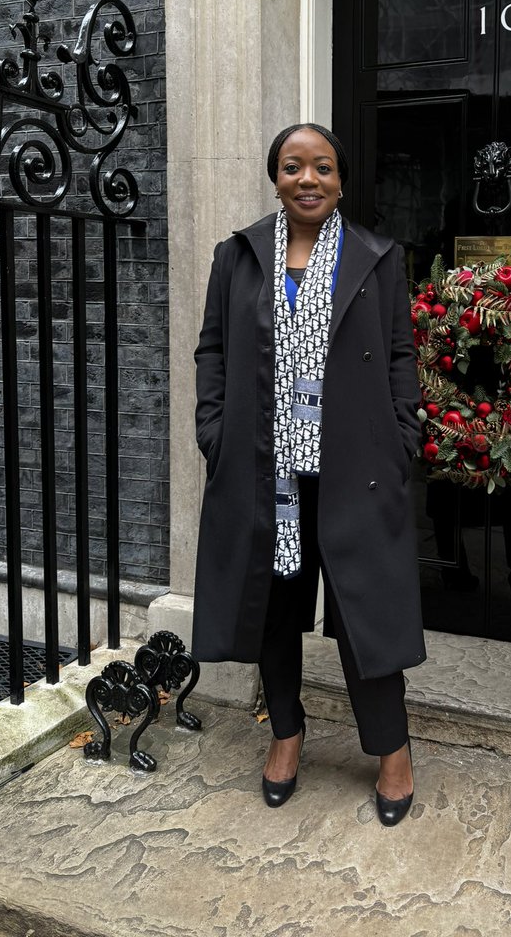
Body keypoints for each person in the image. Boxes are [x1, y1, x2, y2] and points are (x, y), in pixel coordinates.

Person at [191, 122, 426, 826]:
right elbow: (212, 348)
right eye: (294, 166)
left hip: (356, 470)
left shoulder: (376, 257)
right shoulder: (238, 257)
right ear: (276, 177)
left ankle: (393, 753)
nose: (308, 179)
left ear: (341, 180)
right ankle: (286, 738)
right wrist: (214, 432)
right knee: (273, 615)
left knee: (366, 621)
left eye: (322, 167)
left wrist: (402, 434)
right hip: (266, 472)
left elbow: (399, 354)